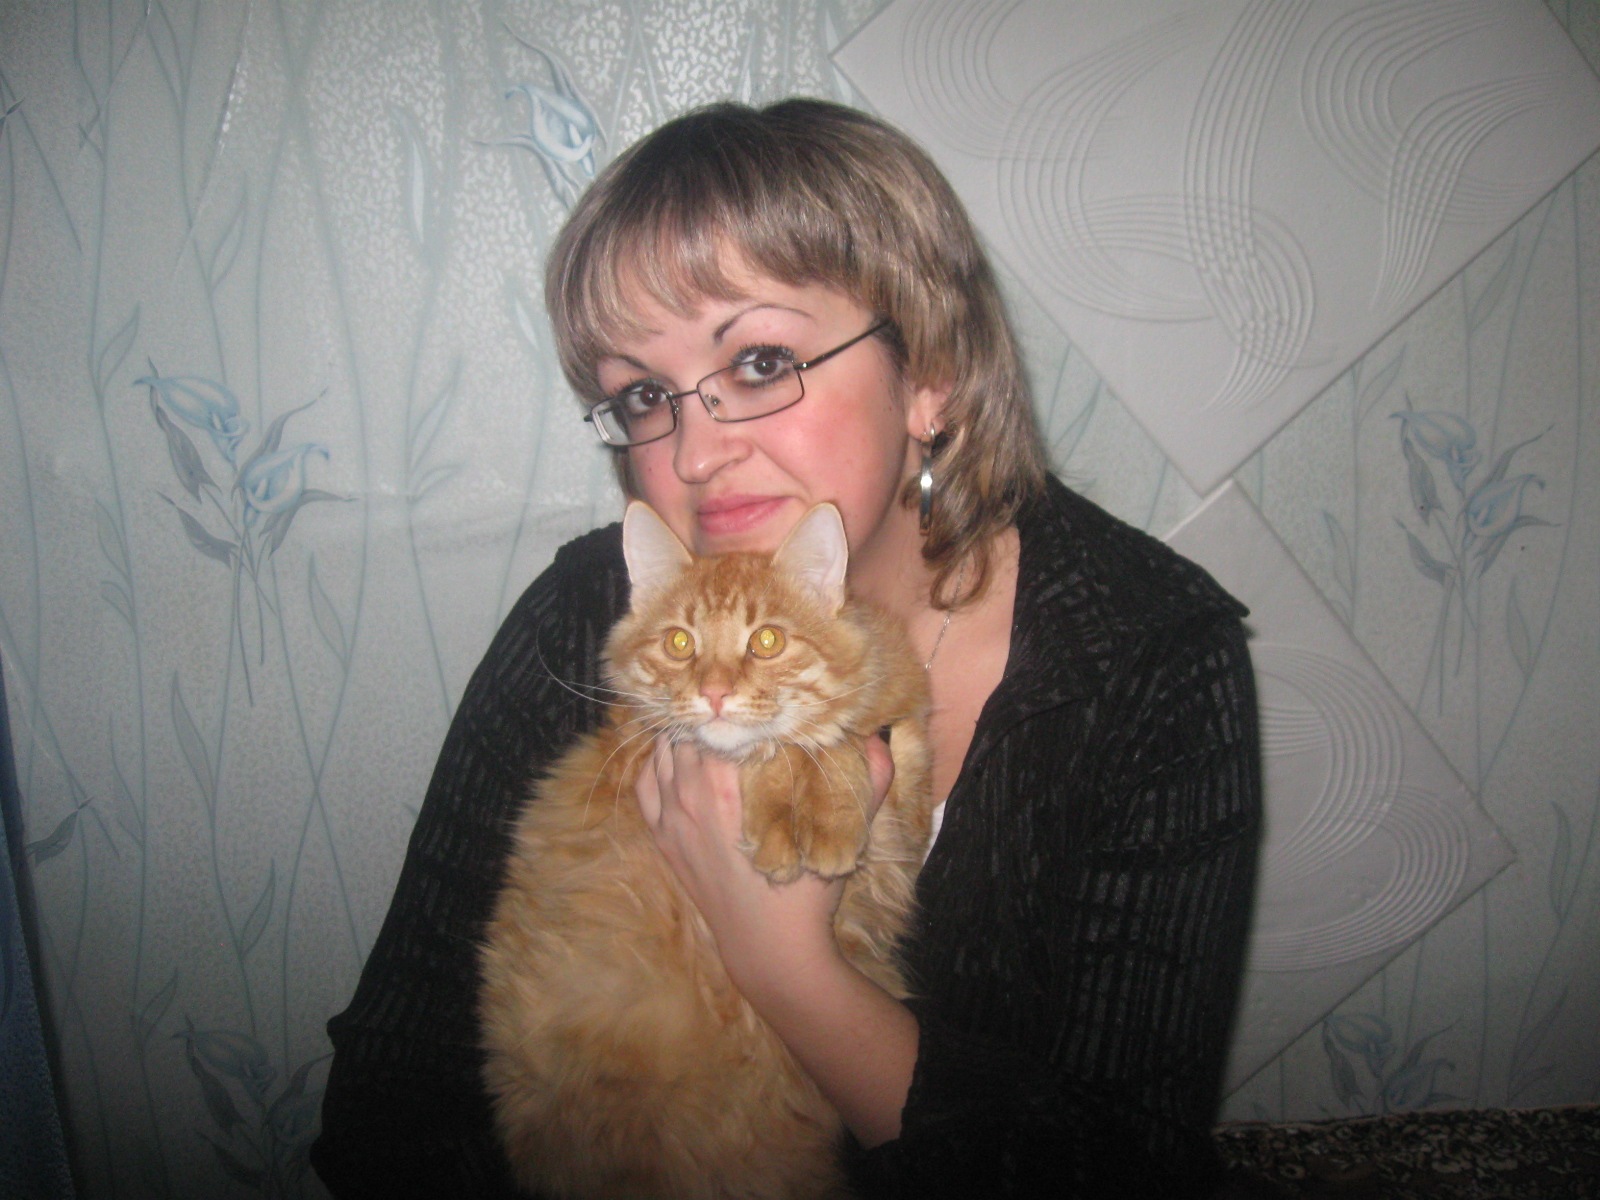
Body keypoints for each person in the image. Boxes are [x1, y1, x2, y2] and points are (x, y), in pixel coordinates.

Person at [310, 98, 1260, 1198]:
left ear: (930, 374)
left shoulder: (1145, 661)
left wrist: (787, 968)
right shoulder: (590, 617)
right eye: (644, 395)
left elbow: (1127, 1169)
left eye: (760, 361)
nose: (695, 453)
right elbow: (393, 1099)